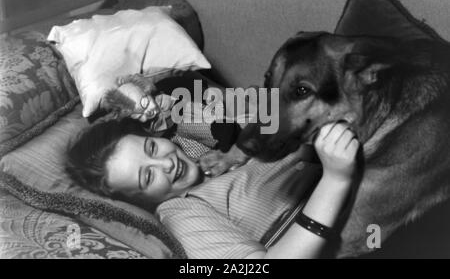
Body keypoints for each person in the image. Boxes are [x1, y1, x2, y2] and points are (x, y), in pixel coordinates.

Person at [66, 80, 360, 258]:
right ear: (138, 200)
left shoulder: (209, 160)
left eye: (152, 149)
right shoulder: (179, 214)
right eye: (148, 175)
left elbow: (267, 104)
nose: (166, 163)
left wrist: (238, 151)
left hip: (341, 134)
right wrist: (336, 179)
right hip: (353, 185)